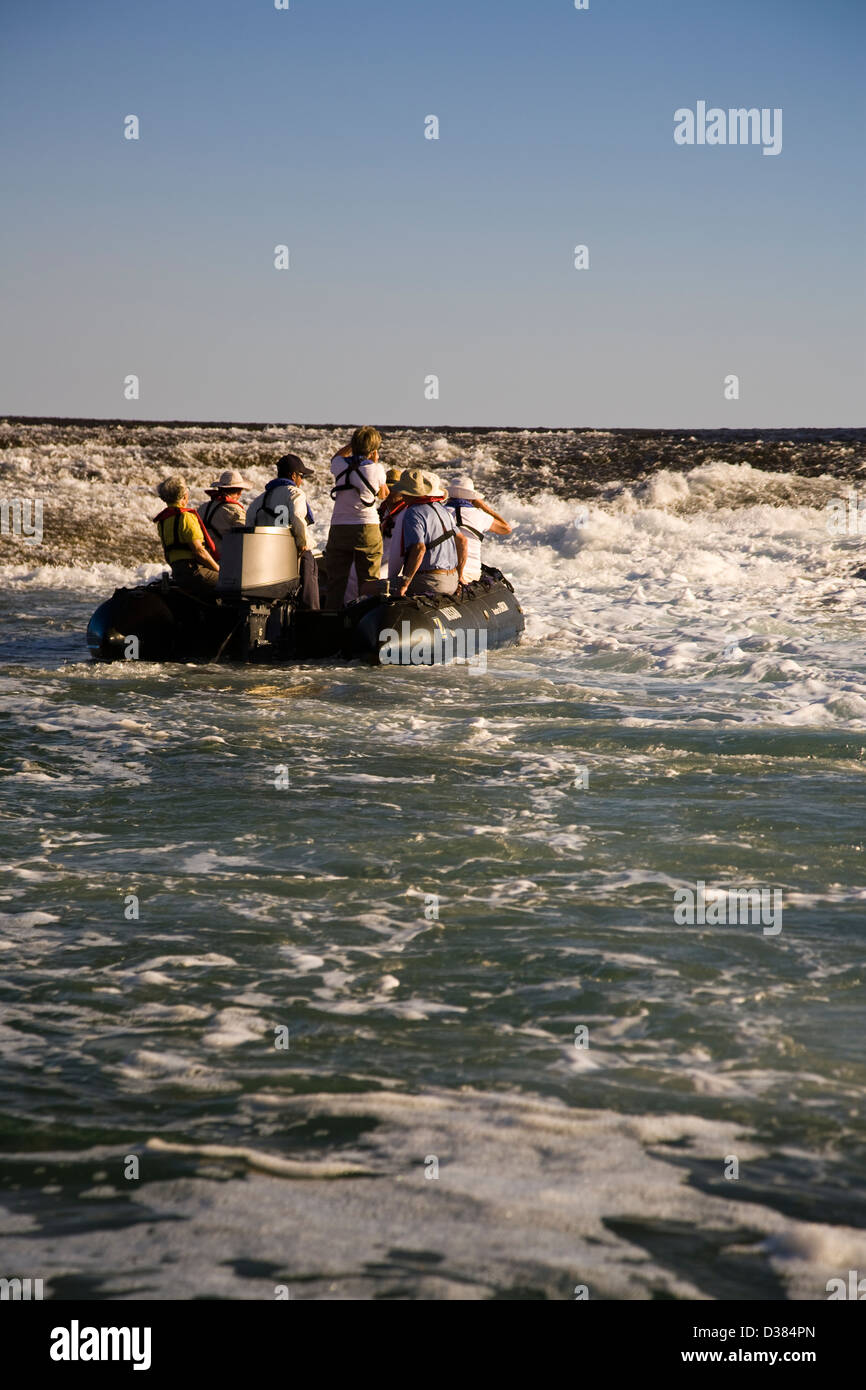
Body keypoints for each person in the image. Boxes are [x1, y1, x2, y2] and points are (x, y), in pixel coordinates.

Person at [323, 426, 388, 609]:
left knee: (336, 581)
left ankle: (331, 622)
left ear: (354, 444)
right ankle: (365, 618)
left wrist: (352, 446)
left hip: (339, 527)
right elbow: (383, 494)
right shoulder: (377, 469)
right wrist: (373, 461)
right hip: (367, 527)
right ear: (374, 450)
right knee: (368, 580)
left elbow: (336, 456)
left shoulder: (339, 465)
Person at [246, 454, 319, 609]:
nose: (302, 481)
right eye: (301, 476)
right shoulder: (295, 493)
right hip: (289, 554)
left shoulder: (259, 500)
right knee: (310, 561)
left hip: (265, 557)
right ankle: (311, 614)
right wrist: (303, 545)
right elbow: (298, 519)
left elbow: (249, 528)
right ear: (293, 475)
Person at [391, 468, 467, 598]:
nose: (402, 496)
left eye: (403, 492)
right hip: (452, 581)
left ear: (410, 494)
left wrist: (404, 586)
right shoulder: (443, 510)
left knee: (368, 587)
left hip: (429, 583)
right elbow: (462, 541)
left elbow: (419, 549)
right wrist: (460, 576)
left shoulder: (413, 513)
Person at [153, 476, 219, 598]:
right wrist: (218, 570)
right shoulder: (186, 517)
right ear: (184, 496)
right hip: (194, 571)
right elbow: (199, 552)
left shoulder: (163, 522)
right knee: (231, 584)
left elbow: (168, 555)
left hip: (177, 573)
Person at [444, 475, 512, 582]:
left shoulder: (439, 512)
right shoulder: (479, 515)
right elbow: (506, 528)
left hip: (443, 573)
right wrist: (482, 506)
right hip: (471, 573)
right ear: (472, 498)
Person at [197, 469, 252, 557]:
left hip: (203, 560)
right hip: (224, 562)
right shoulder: (236, 511)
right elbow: (247, 540)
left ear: (219, 488)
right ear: (239, 492)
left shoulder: (202, 508)